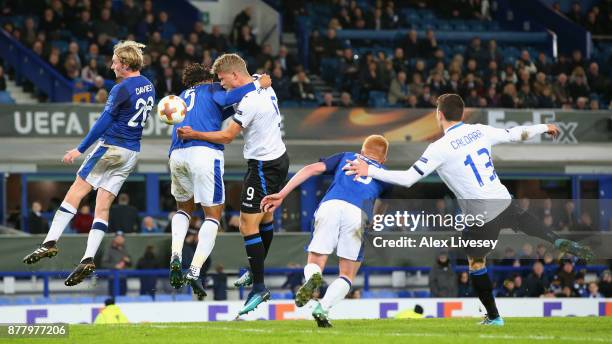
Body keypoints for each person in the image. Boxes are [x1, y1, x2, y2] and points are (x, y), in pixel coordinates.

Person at [345, 93, 594, 326]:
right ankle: (557, 239)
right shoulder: (479, 131)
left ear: (439, 115)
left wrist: (372, 170)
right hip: (503, 199)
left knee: (476, 262)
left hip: (481, 216)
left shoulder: (438, 148)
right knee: (526, 223)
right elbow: (515, 133)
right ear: (462, 114)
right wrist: (544, 127)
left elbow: (408, 179)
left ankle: (494, 317)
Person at [22, 41, 155, 287]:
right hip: (131, 153)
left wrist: (79, 149)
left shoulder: (121, 88)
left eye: (115, 61)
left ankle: (50, 242)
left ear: (125, 64)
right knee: (102, 205)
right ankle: (88, 258)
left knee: (76, 192)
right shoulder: (149, 85)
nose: (112, 65)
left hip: (111, 146)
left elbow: (103, 122)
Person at [176, 53, 288, 315]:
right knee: (265, 219)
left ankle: (258, 286)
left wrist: (195, 134)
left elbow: (226, 136)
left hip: (262, 166)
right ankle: (254, 271)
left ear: (235, 75)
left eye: (223, 79)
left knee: (247, 224)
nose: (221, 84)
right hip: (279, 159)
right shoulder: (261, 81)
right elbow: (260, 80)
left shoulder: (249, 101)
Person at [261, 135, 392, 328]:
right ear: (383, 159)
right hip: (358, 213)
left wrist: (282, 194)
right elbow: (383, 204)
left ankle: (313, 276)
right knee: (347, 274)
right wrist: (374, 219)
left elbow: (310, 169)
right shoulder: (386, 174)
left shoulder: (347, 156)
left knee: (315, 261)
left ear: (362, 151)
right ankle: (323, 307)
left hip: (331, 205)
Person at [102, 232, 132, 296]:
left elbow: (130, 264)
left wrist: (128, 261)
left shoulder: (125, 249)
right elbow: (104, 263)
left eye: (121, 238)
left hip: (123, 277)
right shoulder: (109, 250)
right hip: (113, 278)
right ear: (114, 239)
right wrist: (115, 266)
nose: (120, 240)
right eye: (118, 238)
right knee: (113, 297)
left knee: (123, 297)